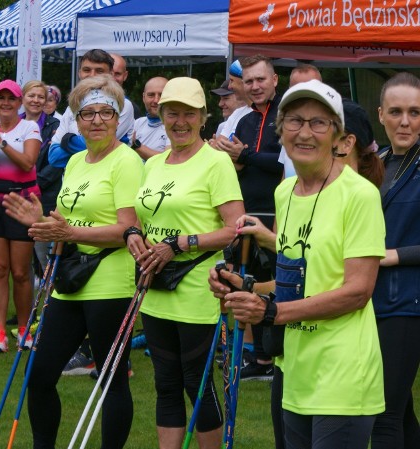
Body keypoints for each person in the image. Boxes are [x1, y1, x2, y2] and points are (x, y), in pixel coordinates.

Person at [209, 95, 384, 449]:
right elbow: (299, 278)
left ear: (338, 136)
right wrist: (245, 288)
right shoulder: (285, 192)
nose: (305, 132)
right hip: (295, 368)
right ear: (281, 132)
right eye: (295, 121)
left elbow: (358, 290)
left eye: (318, 122)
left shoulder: (359, 195)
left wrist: (273, 312)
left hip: (343, 373)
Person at [3, 75, 143, 449]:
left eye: (105, 113)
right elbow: (70, 218)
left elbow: (128, 230)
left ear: (118, 119)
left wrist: (69, 235)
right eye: (88, 114)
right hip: (70, 282)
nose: (96, 120)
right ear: (77, 121)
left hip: (111, 283)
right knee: (40, 373)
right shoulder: (78, 160)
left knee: (111, 380)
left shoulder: (126, 162)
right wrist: (41, 221)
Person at [125, 77, 244, 449]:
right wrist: (137, 239)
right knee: (166, 382)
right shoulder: (154, 163)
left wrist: (181, 244)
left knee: (197, 381)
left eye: (188, 114)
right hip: (156, 285)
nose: (180, 121)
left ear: (202, 118)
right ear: (161, 114)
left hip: (197, 288)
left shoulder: (216, 163)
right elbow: (144, 218)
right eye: (172, 112)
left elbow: (236, 230)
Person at [213, 54, 284, 380]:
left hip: (278, 211)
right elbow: (235, 163)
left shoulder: (287, 113)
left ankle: (275, 352)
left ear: (274, 81)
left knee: (278, 282)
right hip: (246, 209)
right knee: (247, 281)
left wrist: (246, 156)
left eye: (260, 79)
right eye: (249, 81)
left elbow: (284, 162)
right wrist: (236, 158)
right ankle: (259, 359)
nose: (255, 86)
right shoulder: (244, 118)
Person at [371, 72, 420, 448]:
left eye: (416, 112)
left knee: (384, 414)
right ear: (381, 115)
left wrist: (393, 256)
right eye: (397, 111)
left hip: (407, 304)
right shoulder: (377, 163)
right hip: (370, 301)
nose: (406, 121)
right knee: (400, 411)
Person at [0, 79, 42, 353]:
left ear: (19, 102)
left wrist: (0, 142)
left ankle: (24, 330)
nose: (5, 103)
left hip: (23, 202)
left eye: (11, 99)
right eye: (0, 98)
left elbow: (28, 163)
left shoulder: (29, 127)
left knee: (20, 272)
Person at [48, 49, 135, 169]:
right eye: (86, 70)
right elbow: (54, 157)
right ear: (79, 73)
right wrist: (81, 143)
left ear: (110, 74)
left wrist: (67, 140)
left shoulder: (123, 105)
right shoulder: (71, 107)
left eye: (99, 71)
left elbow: (100, 144)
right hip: (73, 178)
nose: (92, 75)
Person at [21, 80, 61, 272]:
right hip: (17, 198)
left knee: (44, 259)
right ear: (23, 98)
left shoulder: (56, 126)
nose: (36, 100)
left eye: (41, 97)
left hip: (45, 199)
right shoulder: (14, 123)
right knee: (20, 263)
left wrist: (31, 184)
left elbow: (56, 163)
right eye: (31, 95)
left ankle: (48, 300)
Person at [131, 76, 169, 160]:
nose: (156, 100)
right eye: (151, 95)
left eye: (161, 95)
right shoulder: (137, 123)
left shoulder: (175, 127)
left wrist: (136, 146)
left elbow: (167, 159)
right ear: (144, 97)